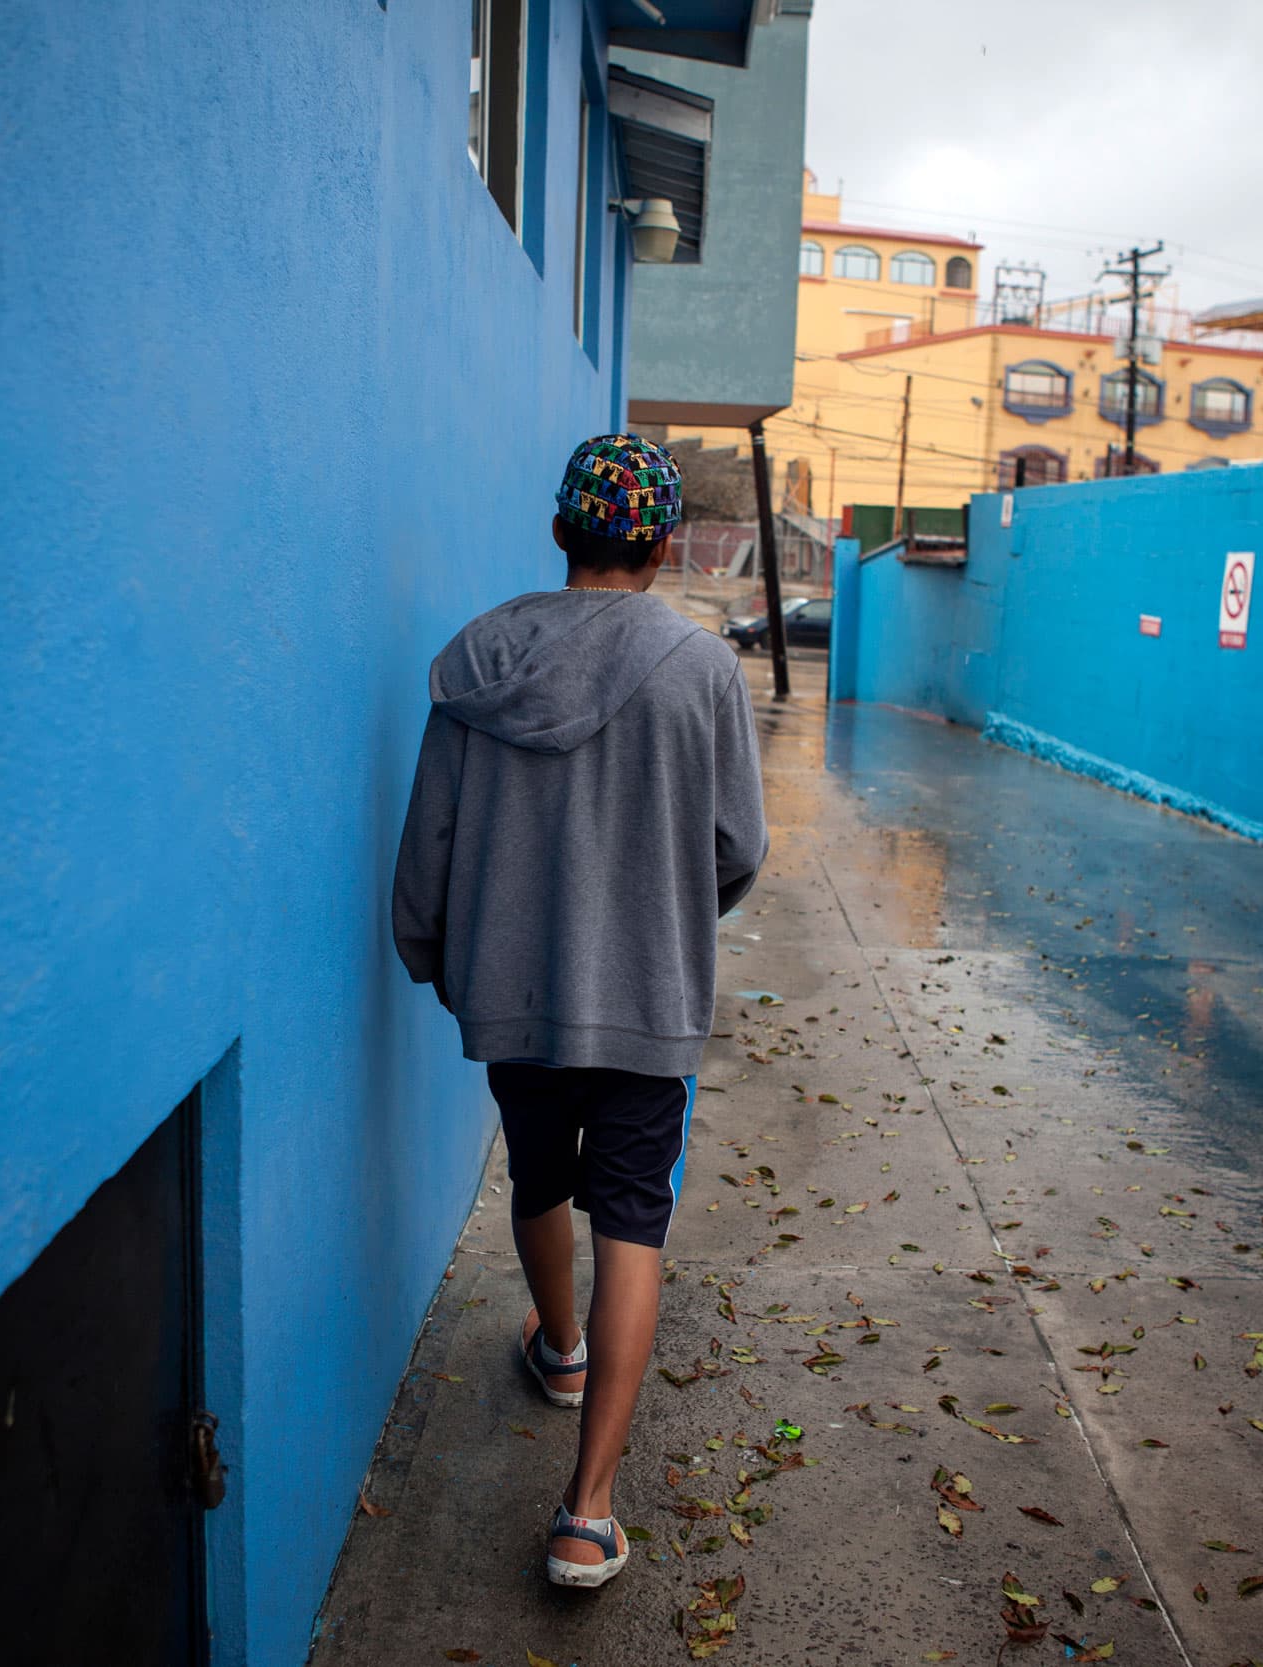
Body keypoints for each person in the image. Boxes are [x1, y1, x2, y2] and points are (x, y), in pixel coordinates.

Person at [391, 433, 767, 1589]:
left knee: (538, 1172)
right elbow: (736, 848)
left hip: (513, 988)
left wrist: (431, 947)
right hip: (645, 992)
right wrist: (665, 914)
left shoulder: (481, 660)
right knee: (633, 1218)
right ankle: (586, 1510)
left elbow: (430, 844)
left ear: (564, 532)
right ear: (655, 543)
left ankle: (559, 1348)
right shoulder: (702, 670)